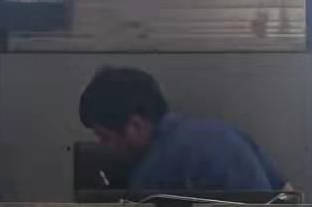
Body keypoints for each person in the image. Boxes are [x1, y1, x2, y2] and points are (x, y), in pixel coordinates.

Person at [78, 67, 287, 194]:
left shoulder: (154, 171)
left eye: (105, 137)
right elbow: (286, 192)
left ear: (136, 125)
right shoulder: (223, 131)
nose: (104, 146)